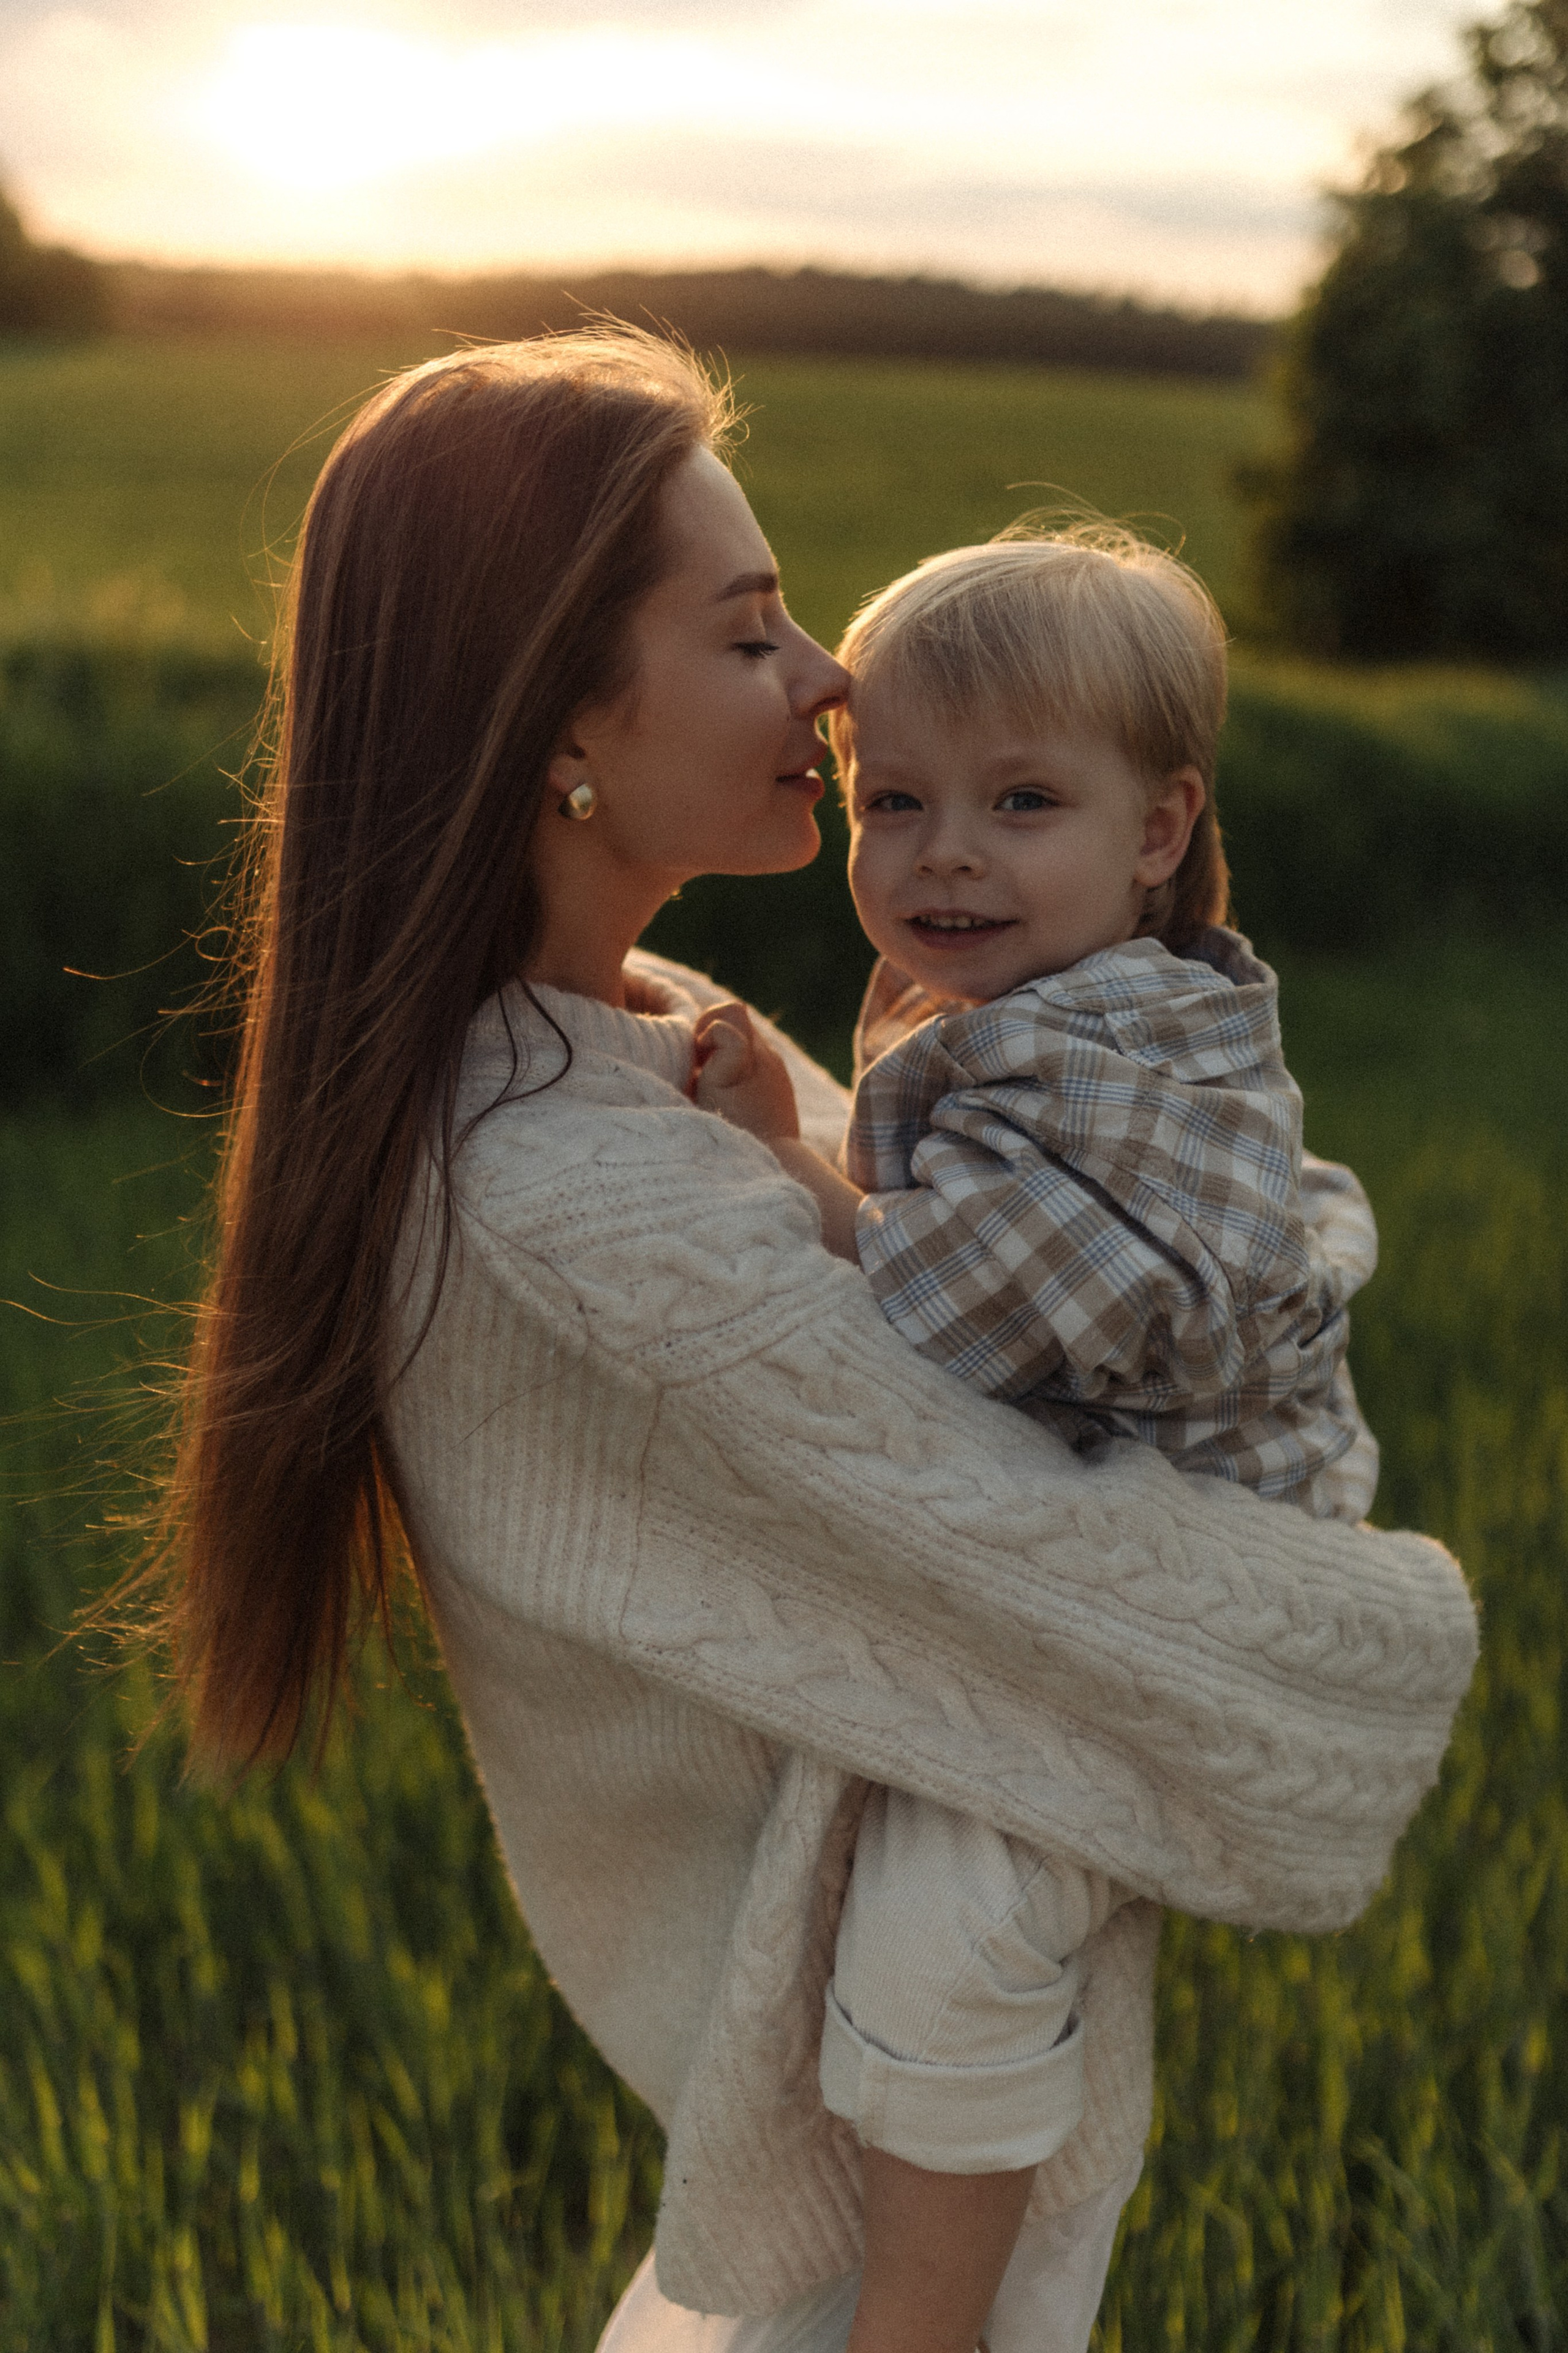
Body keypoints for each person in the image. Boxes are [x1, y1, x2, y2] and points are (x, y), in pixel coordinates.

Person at [146, 327, 1477, 2353]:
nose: (834, 683)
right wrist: (1392, 1628)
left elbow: (1040, 1272)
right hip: (871, 2205)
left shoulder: (641, 1031)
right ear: (560, 720)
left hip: (897, 2125)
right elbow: (1041, 1564)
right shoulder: (561, 1190)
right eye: (754, 630)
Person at [690, 529, 1385, 2352]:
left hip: (1205, 1576)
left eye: (1019, 800)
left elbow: (979, 1294)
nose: (946, 856)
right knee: (919, 1927)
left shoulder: (1111, 1053)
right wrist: (815, 1142)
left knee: (953, 1932)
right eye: (897, 798)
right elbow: (967, 1211)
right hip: (1117, 1521)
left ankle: (917, 2329)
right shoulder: (1026, 999)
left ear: (1157, 831)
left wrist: (787, 1173)